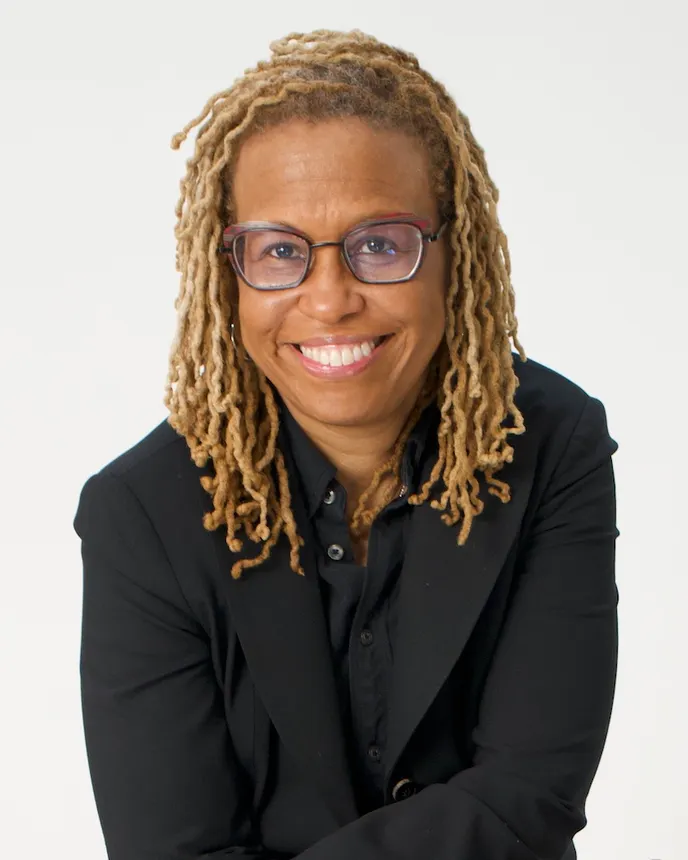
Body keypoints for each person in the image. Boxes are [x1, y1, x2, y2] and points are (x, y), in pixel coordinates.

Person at [73, 28, 619, 860]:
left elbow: (527, 797)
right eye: (280, 252)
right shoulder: (141, 516)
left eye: (379, 244)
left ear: (452, 254)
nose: (328, 301)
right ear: (230, 272)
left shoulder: (548, 444)